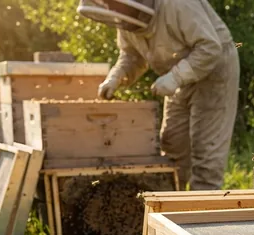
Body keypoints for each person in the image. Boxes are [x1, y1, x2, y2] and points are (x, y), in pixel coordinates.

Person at [78, 0, 239, 190]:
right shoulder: (126, 18)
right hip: (176, 76)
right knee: (172, 147)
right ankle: (172, 209)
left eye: (113, 3)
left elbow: (210, 48)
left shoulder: (178, 5)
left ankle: (200, 213)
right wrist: (116, 77)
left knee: (206, 154)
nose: (111, 9)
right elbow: (131, 55)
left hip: (214, 73)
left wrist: (175, 78)